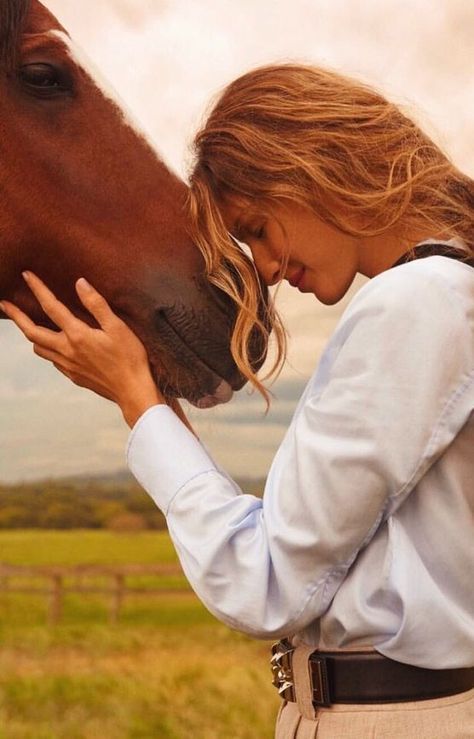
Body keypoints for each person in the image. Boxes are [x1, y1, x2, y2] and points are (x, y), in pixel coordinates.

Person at [1, 64, 473, 738]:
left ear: (307, 168)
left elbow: (265, 582)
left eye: (255, 227)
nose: (268, 268)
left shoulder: (415, 303)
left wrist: (137, 402)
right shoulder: (447, 294)